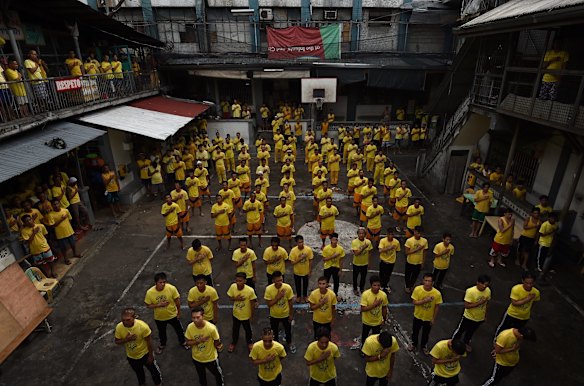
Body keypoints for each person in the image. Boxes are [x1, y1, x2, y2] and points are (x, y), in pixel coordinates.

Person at [114, 308, 161, 386]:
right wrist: (126, 339)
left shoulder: (143, 327)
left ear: (134, 317)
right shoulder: (119, 327)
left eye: (128, 320)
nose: (125, 322)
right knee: (139, 372)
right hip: (131, 356)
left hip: (144, 354)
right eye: (123, 320)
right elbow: (117, 341)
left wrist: (150, 356)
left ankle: (158, 383)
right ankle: (142, 383)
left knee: (153, 371)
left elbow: (149, 342)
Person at [144, 272, 188, 354]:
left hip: (172, 315)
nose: (163, 284)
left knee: (179, 330)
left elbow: (177, 301)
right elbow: (148, 305)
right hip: (159, 317)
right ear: (155, 283)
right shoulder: (150, 292)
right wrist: (158, 305)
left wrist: (178, 312)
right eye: (160, 282)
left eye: (164, 282)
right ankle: (162, 344)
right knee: (162, 332)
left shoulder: (171, 288)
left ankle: (183, 342)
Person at [185, 306, 224, 386]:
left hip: (210, 358)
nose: (195, 320)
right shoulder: (190, 327)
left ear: (203, 316)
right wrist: (198, 341)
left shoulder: (211, 328)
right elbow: (188, 342)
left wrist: (218, 347)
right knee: (201, 376)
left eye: (198, 317)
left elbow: (217, 341)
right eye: (193, 318)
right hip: (197, 358)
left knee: (217, 374)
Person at [452, 275, 491, 352]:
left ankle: (466, 343)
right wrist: (479, 303)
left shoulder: (488, 291)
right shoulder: (470, 291)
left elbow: (487, 303)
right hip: (468, 317)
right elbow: (467, 305)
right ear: (478, 283)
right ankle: (453, 343)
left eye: (486, 285)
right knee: (460, 331)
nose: (484, 286)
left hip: (479, 317)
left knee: (471, 332)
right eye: (482, 284)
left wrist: (485, 315)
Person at [495, 272, 540, 338]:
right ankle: (497, 340)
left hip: (524, 317)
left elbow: (534, 302)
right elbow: (514, 303)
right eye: (527, 283)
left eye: (531, 283)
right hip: (512, 314)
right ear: (522, 281)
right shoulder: (516, 289)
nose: (529, 285)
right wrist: (527, 299)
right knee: (503, 329)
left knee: (517, 332)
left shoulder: (536, 292)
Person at [409, 273, 442, 355]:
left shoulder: (437, 293)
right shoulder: (417, 289)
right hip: (418, 315)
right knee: (415, 331)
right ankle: (413, 343)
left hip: (428, 318)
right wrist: (424, 301)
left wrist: (433, 318)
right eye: (426, 280)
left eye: (429, 281)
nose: (427, 283)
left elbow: (437, 307)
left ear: (433, 283)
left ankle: (424, 346)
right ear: (423, 281)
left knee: (426, 334)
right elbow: (414, 302)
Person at [264, 271, 295, 353]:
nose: (280, 282)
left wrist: (291, 314)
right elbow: (269, 304)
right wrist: (278, 297)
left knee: (288, 330)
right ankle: (276, 345)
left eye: (281, 280)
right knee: (274, 331)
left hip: (285, 314)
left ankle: (289, 342)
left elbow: (290, 302)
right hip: (274, 315)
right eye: (278, 281)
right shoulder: (269, 289)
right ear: (273, 281)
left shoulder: (287, 287)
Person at [227, 272, 257, 353]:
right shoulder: (233, 287)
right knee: (235, 329)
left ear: (245, 281)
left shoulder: (250, 291)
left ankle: (249, 342)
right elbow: (230, 297)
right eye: (236, 280)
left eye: (240, 281)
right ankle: (234, 342)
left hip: (246, 315)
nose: (238, 283)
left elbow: (252, 304)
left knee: (248, 330)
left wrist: (251, 315)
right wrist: (236, 298)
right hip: (236, 314)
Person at [47, 199, 81, 264]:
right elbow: (52, 226)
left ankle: (75, 253)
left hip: (69, 231)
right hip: (60, 234)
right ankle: (65, 259)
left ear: (59, 203)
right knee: (63, 248)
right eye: (54, 204)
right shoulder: (51, 215)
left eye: (57, 204)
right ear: (52, 206)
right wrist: (61, 219)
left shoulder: (65, 210)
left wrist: (70, 228)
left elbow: (70, 219)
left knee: (73, 244)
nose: (56, 205)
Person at [360, 276, 389, 350]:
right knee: (365, 337)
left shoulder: (383, 295)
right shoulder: (365, 294)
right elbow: (363, 309)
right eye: (374, 285)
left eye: (378, 285)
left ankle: (373, 350)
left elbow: (384, 307)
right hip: (367, 321)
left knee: (376, 338)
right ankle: (363, 349)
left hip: (377, 322)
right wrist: (374, 305)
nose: (377, 287)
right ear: (371, 285)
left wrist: (384, 319)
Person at [289, 235, 314, 303]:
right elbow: (292, 262)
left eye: (302, 242)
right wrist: (300, 258)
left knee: (305, 284)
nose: (301, 244)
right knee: (298, 285)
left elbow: (310, 260)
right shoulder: (293, 251)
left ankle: (305, 296)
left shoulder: (308, 249)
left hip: (305, 271)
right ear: (296, 243)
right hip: (297, 271)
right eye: (299, 242)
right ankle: (299, 296)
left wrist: (310, 270)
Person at [404, 226, 428, 293]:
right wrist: (417, 249)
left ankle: (411, 285)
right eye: (418, 233)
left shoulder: (424, 241)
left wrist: (423, 262)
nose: (419, 235)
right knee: (408, 275)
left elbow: (425, 252)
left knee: (415, 275)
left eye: (420, 233)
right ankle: (407, 286)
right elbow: (406, 252)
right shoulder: (409, 241)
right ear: (414, 232)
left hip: (418, 262)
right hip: (410, 261)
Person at [378, 229, 400, 294]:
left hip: (391, 261)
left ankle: (386, 285)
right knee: (382, 274)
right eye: (389, 234)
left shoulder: (396, 242)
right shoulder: (383, 241)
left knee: (388, 275)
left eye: (392, 234)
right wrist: (389, 248)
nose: (391, 236)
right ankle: (381, 286)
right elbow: (380, 250)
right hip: (383, 260)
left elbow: (397, 250)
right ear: (387, 234)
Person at [352, 228, 373, 295]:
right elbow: (356, 253)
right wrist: (363, 247)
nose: (361, 235)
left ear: (365, 234)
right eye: (360, 233)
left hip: (364, 263)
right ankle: (355, 289)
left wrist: (369, 262)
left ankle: (361, 288)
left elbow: (369, 253)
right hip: (356, 263)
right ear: (357, 234)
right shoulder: (354, 242)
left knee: (363, 278)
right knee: (355, 277)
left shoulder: (368, 242)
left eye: (362, 233)